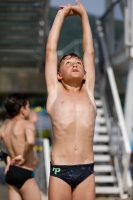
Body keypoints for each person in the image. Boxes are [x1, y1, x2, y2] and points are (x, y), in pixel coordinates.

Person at [45, 1, 96, 200]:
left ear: (85, 73)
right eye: (68, 63)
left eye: (78, 63)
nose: (75, 65)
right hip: (60, 170)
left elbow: (89, 52)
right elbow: (50, 50)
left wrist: (84, 16)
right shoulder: (55, 91)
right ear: (59, 74)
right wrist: (62, 15)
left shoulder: (89, 91)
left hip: (86, 170)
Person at [0, 93, 41, 200]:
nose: (29, 109)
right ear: (22, 109)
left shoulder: (4, 128)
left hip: (11, 173)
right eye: (28, 106)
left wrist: (5, 156)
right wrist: (23, 156)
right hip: (25, 173)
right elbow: (30, 141)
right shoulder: (26, 124)